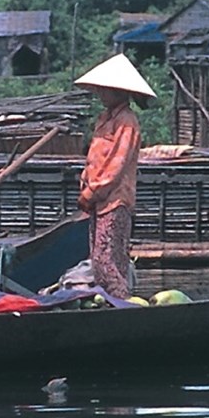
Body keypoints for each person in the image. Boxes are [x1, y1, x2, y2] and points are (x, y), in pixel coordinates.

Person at [74, 53, 155, 298]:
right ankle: (112, 301)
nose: (100, 94)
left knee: (108, 259)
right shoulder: (105, 120)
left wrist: (92, 191)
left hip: (114, 198)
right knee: (98, 261)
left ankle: (122, 303)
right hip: (99, 199)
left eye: (104, 90)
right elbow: (95, 158)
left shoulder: (126, 122)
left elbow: (115, 165)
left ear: (117, 91)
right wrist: (86, 184)